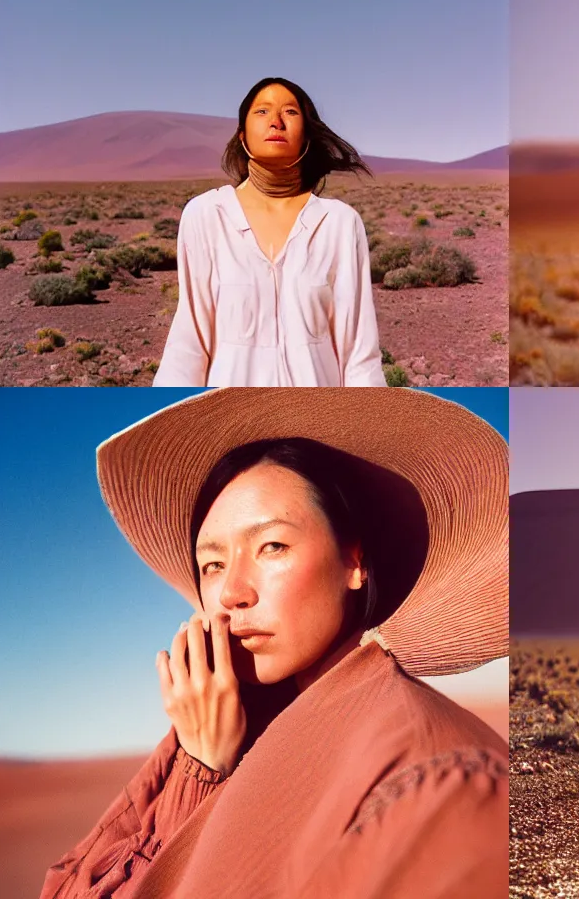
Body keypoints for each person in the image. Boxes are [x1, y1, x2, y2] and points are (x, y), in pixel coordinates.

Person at [40, 387, 508, 898]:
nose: (233, 592)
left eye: (273, 546)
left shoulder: (438, 781)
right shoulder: (231, 734)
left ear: (355, 562)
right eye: (213, 564)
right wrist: (199, 765)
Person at [153, 78, 387, 386]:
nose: (275, 122)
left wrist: (363, 429)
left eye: (290, 112)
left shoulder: (339, 223)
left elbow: (358, 352)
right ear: (242, 135)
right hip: (230, 422)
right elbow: (189, 342)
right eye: (262, 112)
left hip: (318, 419)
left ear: (307, 135)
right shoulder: (206, 215)